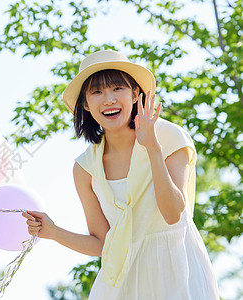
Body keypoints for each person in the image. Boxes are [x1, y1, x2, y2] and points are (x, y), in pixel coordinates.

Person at [22, 50, 219, 299]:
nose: (108, 99)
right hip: (121, 281)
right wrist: (53, 232)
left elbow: (172, 214)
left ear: (136, 93)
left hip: (175, 268)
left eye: (117, 88)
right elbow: (104, 243)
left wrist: (152, 148)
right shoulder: (84, 168)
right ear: (85, 103)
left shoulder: (169, 136)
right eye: (97, 92)